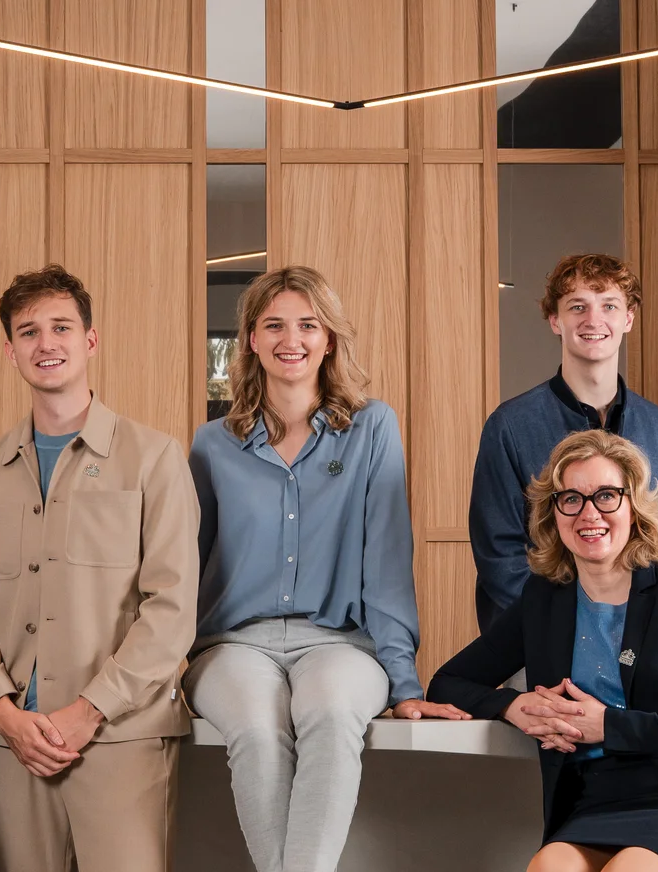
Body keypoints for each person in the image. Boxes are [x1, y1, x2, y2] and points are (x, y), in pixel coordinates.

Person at [185, 265, 468, 872]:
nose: (292, 339)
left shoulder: (372, 428)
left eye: (308, 325)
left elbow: (387, 563)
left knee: (334, 715)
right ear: (251, 339)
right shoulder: (212, 444)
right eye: (274, 325)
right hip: (233, 646)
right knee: (256, 731)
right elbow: (185, 568)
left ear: (330, 338)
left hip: (340, 643)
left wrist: (404, 684)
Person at [0, 266, 200, 872]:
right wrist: (4, 713)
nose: (46, 343)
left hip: (122, 737)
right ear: (10, 351)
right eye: (28, 331)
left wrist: (90, 711)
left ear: (90, 340)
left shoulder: (155, 458)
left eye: (61, 327)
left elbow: (171, 611)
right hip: (13, 746)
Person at [429, 429, 658, 872]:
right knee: (548, 867)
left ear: (633, 505)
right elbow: (448, 682)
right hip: (600, 800)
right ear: (554, 512)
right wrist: (514, 706)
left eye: (606, 495)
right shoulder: (543, 598)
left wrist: (608, 725)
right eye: (571, 499)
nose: (589, 513)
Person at [469, 253, 658, 632]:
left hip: (646, 637)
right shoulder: (509, 426)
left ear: (628, 319)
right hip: (540, 636)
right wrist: (579, 631)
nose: (593, 320)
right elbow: (501, 558)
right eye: (577, 306)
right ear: (555, 320)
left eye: (609, 306)